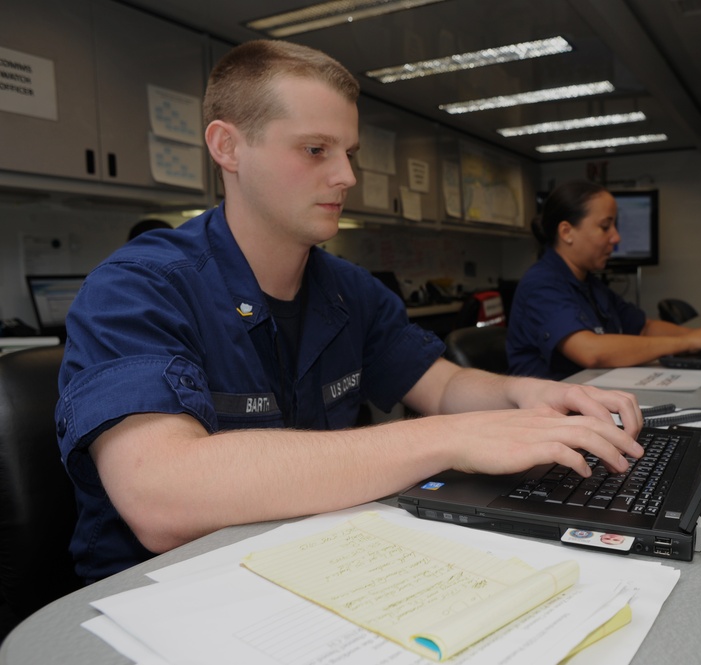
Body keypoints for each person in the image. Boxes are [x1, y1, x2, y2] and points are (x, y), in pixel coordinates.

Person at [55, 40, 644, 583]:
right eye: (315, 150)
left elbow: (443, 387)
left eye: (349, 152)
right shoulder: (137, 288)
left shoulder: (346, 289)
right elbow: (161, 498)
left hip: (312, 568)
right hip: (166, 597)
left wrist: (526, 398)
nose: (347, 176)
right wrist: (448, 439)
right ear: (227, 146)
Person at [506, 180, 701, 380]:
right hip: (550, 417)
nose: (616, 238)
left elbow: (645, 327)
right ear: (567, 232)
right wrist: (687, 342)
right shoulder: (541, 284)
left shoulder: (590, 284)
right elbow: (591, 351)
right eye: (605, 227)